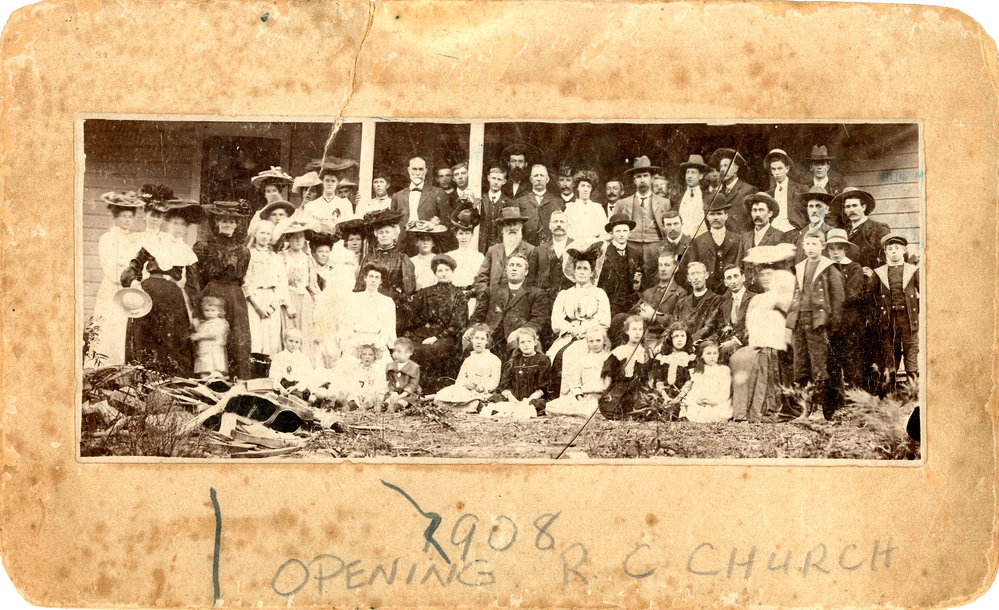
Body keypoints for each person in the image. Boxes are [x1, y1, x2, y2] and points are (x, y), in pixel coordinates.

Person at [120, 199, 203, 377]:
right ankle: (142, 379)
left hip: (173, 298)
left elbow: (193, 286)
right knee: (145, 337)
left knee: (171, 341)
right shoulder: (153, 242)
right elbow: (134, 266)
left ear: (186, 228)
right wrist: (135, 283)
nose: (178, 228)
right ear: (168, 224)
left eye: (182, 225)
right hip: (149, 294)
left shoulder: (187, 252)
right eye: (175, 223)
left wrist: (195, 313)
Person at [729, 244, 797, 422]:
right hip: (758, 344)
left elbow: (788, 317)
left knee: (771, 367)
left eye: (769, 274)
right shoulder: (756, 299)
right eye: (762, 275)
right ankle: (751, 409)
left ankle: (774, 407)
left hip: (777, 345)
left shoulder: (783, 295)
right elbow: (748, 325)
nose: (766, 278)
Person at [832, 187, 890, 391]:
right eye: (847, 207)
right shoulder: (844, 234)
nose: (851, 210)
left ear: (864, 207)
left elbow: (890, 257)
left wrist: (874, 273)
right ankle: (858, 393)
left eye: (855, 205)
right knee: (854, 345)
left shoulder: (878, 229)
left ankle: (877, 392)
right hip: (852, 296)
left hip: (872, 296)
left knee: (873, 344)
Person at [192, 200, 254, 379]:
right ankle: (208, 377)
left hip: (235, 295)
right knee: (210, 336)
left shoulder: (243, 251)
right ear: (217, 222)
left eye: (232, 221)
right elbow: (198, 276)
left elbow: (241, 277)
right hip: (212, 293)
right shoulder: (205, 246)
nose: (227, 224)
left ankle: (238, 379)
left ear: (237, 224)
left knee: (237, 336)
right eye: (223, 220)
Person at [786, 231, 845, 421]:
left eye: (815, 244)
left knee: (819, 366)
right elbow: (795, 295)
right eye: (808, 244)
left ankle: (820, 409)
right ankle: (807, 409)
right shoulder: (800, 267)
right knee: (801, 365)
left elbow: (837, 299)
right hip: (799, 321)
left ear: (822, 246)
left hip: (818, 323)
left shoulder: (829, 268)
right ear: (804, 247)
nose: (811, 248)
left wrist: (833, 326)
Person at [547, 243, 612, 396]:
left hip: (591, 337)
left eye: (585, 269)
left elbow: (604, 320)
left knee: (572, 355)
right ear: (573, 271)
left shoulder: (599, 293)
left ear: (591, 272)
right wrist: (571, 329)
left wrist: (586, 330)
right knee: (553, 354)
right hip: (569, 334)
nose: (582, 272)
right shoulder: (565, 294)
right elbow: (556, 321)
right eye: (579, 268)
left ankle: (571, 395)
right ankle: (553, 396)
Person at [400, 254, 469, 392]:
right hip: (424, 332)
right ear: (435, 273)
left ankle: (432, 390)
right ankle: (411, 387)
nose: (443, 274)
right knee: (409, 347)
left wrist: (437, 337)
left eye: (447, 270)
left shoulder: (458, 295)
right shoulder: (425, 292)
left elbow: (458, 324)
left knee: (435, 349)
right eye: (440, 271)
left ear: (452, 272)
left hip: (447, 336)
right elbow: (411, 314)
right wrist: (410, 332)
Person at [89, 191, 143, 367]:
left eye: (130, 217)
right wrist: (125, 278)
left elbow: (136, 264)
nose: (127, 220)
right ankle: (102, 366)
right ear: (116, 217)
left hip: (128, 289)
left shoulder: (134, 240)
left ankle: (120, 365)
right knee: (108, 327)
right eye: (123, 216)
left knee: (123, 328)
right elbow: (109, 266)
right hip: (113, 288)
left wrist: (135, 281)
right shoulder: (108, 238)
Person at [468, 253, 548, 359]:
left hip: (517, 337)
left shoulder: (536, 293)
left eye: (519, 266)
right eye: (511, 265)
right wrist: (472, 329)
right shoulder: (492, 290)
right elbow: (478, 315)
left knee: (518, 351)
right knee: (471, 347)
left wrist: (520, 332)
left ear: (526, 271)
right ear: (506, 270)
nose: (514, 268)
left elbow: (538, 320)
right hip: (491, 336)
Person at [314, 218, 365, 369]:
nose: (354, 243)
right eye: (351, 240)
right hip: (339, 300)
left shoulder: (364, 260)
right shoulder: (340, 261)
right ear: (346, 243)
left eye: (357, 240)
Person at [872, 232, 919, 394]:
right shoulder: (879, 273)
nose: (893, 252)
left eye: (897, 248)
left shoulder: (912, 271)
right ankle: (890, 395)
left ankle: (912, 395)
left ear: (904, 250)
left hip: (908, 320)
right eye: (890, 249)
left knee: (911, 354)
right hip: (888, 320)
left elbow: (926, 294)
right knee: (890, 356)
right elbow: (872, 297)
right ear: (885, 252)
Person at [824, 229, 865, 409]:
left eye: (839, 248)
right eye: (832, 248)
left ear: (845, 250)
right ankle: (834, 408)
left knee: (852, 366)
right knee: (831, 365)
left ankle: (856, 406)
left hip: (849, 325)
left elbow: (851, 295)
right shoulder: (824, 269)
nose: (835, 252)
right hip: (829, 325)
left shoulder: (854, 268)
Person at [612, 156, 671, 280]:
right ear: (634, 180)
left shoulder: (665, 203)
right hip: (631, 246)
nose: (642, 180)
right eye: (639, 177)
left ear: (652, 179)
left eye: (645, 176)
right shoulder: (622, 203)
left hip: (656, 246)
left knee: (655, 280)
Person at [274, 215, 321, 363]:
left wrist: (319, 300)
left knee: (305, 334)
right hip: (288, 299)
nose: (298, 240)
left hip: (305, 300)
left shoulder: (308, 258)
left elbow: (312, 284)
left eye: (300, 237)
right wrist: (288, 305)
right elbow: (279, 282)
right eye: (294, 237)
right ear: (288, 239)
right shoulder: (282, 256)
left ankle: (304, 367)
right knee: (289, 333)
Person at [243, 220, 292, 359]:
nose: (264, 236)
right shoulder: (249, 254)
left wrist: (273, 305)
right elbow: (246, 280)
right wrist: (257, 306)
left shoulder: (276, 258)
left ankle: (268, 372)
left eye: (268, 234)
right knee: (255, 336)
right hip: (254, 299)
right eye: (261, 233)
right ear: (255, 234)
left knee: (270, 338)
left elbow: (282, 282)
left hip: (272, 298)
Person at [482, 327, 550, 419]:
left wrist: (527, 401)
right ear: (518, 345)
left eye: (529, 341)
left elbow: (543, 388)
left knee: (537, 406)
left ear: (535, 342)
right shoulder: (513, 361)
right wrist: (512, 398)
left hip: (533, 398)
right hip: (513, 398)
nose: (526, 345)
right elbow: (504, 385)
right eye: (522, 342)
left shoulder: (543, 359)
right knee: (495, 400)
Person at [628, 249, 688, 350]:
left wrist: (655, 317)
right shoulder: (648, 292)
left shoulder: (681, 293)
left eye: (667, 265)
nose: (663, 269)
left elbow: (678, 322)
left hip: (662, 339)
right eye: (661, 265)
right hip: (642, 336)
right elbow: (632, 313)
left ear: (676, 268)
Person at [597, 315, 655, 420]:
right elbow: (609, 373)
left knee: (644, 409)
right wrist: (604, 390)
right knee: (612, 408)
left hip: (639, 389)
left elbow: (650, 375)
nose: (637, 333)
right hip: (620, 388)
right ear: (627, 331)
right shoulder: (619, 351)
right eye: (634, 329)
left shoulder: (647, 352)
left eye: (640, 329)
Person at [434, 324, 502, 413]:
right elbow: (459, 380)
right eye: (476, 338)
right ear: (472, 340)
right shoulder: (468, 359)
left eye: (482, 339)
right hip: (466, 390)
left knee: (473, 400)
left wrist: (482, 387)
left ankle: (472, 405)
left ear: (487, 342)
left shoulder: (494, 359)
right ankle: (470, 406)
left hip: (483, 392)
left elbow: (494, 381)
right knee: (441, 396)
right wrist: (466, 384)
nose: (479, 342)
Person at [545, 325, 610, 417]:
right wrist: (579, 396)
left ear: (604, 341)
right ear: (587, 342)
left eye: (598, 340)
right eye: (591, 341)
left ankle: (587, 412)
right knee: (550, 406)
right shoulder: (582, 359)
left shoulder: (610, 358)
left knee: (591, 409)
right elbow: (576, 382)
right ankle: (583, 411)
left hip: (600, 398)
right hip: (583, 397)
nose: (595, 344)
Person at [354, 209, 416, 305]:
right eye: (381, 233)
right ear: (377, 235)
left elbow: (408, 289)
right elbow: (360, 285)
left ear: (394, 235)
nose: (384, 235)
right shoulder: (369, 257)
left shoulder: (402, 258)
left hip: (393, 303)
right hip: (369, 302)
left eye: (387, 232)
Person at [473, 206, 536, 296]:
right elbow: (482, 278)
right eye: (508, 224)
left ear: (521, 226)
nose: (512, 228)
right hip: (493, 301)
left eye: (515, 224)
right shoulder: (493, 250)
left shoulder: (531, 250)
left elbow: (533, 281)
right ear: (502, 228)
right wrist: (486, 298)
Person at [391, 156, 450, 249]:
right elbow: (393, 225)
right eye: (414, 169)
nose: (418, 173)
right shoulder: (397, 196)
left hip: (428, 245)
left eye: (421, 169)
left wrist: (433, 225)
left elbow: (447, 221)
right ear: (408, 170)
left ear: (426, 171)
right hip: (404, 245)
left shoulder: (438, 193)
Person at [686, 200, 744, 294]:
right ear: (707, 217)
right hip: (708, 290)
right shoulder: (698, 241)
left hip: (730, 289)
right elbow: (693, 267)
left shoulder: (738, 239)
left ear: (726, 216)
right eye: (712, 214)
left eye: (719, 214)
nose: (716, 217)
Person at [740, 192, 788, 292]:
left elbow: (783, 269)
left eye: (761, 210)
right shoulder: (745, 237)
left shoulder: (779, 236)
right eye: (754, 210)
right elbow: (739, 264)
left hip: (769, 291)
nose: (757, 214)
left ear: (770, 213)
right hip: (748, 291)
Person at [598, 213, 644, 316]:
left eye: (625, 231)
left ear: (629, 233)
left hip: (631, 303)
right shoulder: (604, 253)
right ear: (612, 233)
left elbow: (641, 279)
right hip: (610, 303)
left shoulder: (635, 253)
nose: (621, 234)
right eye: (618, 231)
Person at [528, 211, 575, 307]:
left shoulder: (576, 247)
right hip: (544, 304)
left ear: (568, 225)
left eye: (562, 222)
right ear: (549, 226)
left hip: (570, 301)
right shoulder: (539, 250)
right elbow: (531, 280)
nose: (558, 225)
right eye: (555, 222)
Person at [680, 340, 733, 423]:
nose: (712, 356)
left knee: (716, 412)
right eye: (708, 354)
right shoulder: (698, 371)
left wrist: (714, 401)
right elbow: (695, 389)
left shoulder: (724, 370)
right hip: (702, 401)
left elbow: (726, 391)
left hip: (718, 400)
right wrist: (698, 400)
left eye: (715, 353)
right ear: (702, 355)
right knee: (692, 407)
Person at [446, 204, 486, 314]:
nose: (464, 237)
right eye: (461, 234)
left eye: (467, 234)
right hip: (452, 298)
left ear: (472, 235)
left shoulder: (478, 256)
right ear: (456, 235)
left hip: (471, 298)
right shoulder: (449, 256)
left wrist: (472, 292)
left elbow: (481, 280)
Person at [651, 322, 695, 419]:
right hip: (663, 393)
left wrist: (679, 397)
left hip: (683, 394)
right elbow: (658, 379)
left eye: (683, 336)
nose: (680, 340)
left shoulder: (690, 357)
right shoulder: (662, 357)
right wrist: (665, 396)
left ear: (687, 338)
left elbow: (690, 380)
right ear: (670, 338)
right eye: (676, 336)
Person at [708, 148, 757, 233]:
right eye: (721, 167)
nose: (723, 169)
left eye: (726, 166)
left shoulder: (749, 190)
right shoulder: (719, 193)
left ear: (736, 169)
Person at [674, 261, 724, 344]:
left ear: (706, 275)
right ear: (689, 278)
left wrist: (688, 342)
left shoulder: (716, 300)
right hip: (681, 344)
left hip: (703, 345)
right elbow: (674, 326)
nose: (696, 277)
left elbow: (708, 327)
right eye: (692, 274)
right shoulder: (681, 303)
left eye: (698, 273)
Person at [516, 163, 564, 246]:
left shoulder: (558, 202)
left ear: (547, 179)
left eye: (542, 175)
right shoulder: (520, 201)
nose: (539, 179)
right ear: (531, 179)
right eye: (536, 176)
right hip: (527, 247)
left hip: (550, 247)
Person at [717, 265, 758, 363]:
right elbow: (720, 328)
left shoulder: (755, 299)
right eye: (729, 278)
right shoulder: (725, 305)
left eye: (736, 276)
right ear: (725, 283)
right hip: (729, 350)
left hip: (749, 348)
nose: (733, 281)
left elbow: (756, 327)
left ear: (743, 278)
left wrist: (736, 341)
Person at [764, 148, 808, 231]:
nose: (776, 172)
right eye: (773, 169)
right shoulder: (769, 194)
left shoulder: (801, 189)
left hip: (793, 230)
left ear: (787, 169)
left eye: (780, 168)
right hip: (773, 232)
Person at [791, 187, 836, 263]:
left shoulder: (831, 234)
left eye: (818, 206)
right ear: (808, 210)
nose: (814, 210)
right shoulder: (799, 235)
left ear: (826, 210)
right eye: (811, 206)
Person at [270, 328, 315, 401]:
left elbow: (307, 378)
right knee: (275, 398)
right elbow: (273, 377)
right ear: (284, 341)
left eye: (297, 342)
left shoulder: (303, 359)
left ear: (300, 344)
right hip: (282, 386)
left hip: (297, 388)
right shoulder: (278, 357)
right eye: (290, 341)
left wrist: (296, 387)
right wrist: (281, 388)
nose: (293, 344)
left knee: (295, 398)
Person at [190, 295, 229, 379]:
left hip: (213, 351)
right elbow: (200, 329)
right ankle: (204, 382)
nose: (209, 313)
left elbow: (213, 333)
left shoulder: (219, 322)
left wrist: (198, 336)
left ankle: (214, 383)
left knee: (212, 368)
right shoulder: (205, 322)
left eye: (213, 310)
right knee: (203, 369)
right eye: (207, 310)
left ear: (219, 311)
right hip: (204, 350)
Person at [564, 169, 608, 243]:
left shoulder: (598, 208)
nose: (585, 189)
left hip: (594, 245)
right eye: (583, 186)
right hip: (575, 245)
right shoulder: (570, 208)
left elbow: (604, 231)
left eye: (588, 186)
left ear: (591, 189)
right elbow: (566, 231)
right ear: (577, 187)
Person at [479, 165, 514, 254]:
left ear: (504, 181)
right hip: (482, 244)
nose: (495, 182)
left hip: (500, 245)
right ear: (488, 178)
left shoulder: (509, 202)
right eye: (493, 178)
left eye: (499, 179)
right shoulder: (480, 200)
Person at [676, 154, 711, 236]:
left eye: (693, 172)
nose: (689, 176)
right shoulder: (679, 198)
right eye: (687, 172)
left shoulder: (707, 197)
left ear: (701, 176)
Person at [385, 337, 421, 413]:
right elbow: (390, 381)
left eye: (399, 351)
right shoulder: (391, 365)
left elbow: (413, 384)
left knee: (404, 401)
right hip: (395, 392)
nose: (395, 354)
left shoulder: (414, 367)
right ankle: (385, 405)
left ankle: (397, 406)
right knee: (388, 399)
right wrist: (392, 392)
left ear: (409, 353)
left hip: (408, 393)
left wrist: (400, 396)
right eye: (394, 351)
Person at [659, 210, 692, 289]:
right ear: (663, 227)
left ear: (682, 224)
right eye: (668, 225)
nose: (673, 228)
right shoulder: (657, 247)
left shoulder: (692, 244)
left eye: (676, 224)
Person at [409, 225, 447, 290]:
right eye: (422, 239)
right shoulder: (411, 261)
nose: (425, 242)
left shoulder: (439, 259)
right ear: (416, 243)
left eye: (428, 240)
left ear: (433, 244)